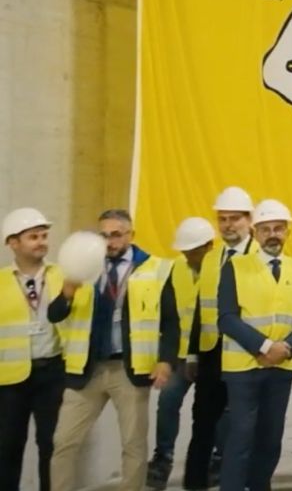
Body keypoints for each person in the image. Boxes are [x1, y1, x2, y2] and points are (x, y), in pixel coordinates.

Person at [46, 208, 185, 491]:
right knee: (63, 442)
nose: (110, 242)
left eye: (116, 235)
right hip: (86, 369)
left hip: (128, 369)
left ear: (131, 234)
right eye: (104, 235)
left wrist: (166, 361)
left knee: (133, 444)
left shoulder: (156, 269)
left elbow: (171, 322)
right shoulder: (81, 265)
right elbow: (55, 315)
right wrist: (67, 293)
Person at [218, 198, 292, 491]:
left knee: (271, 438)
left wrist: (286, 348)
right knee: (241, 437)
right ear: (255, 232)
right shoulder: (236, 267)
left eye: (278, 228)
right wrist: (264, 347)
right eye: (266, 229)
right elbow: (227, 317)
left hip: (281, 367)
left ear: (287, 232)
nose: (272, 235)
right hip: (243, 368)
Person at [185, 186, 258, 490]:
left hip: (247, 354)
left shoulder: (262, 258)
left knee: (246, 426)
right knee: (202, 423)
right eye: (223, 219)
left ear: (249, 220)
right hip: (212, 353)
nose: (228, 225)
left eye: (234, 218)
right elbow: (201, 308)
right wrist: (192, 354)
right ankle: (194, 484)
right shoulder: (211, 259)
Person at [148, 217, 217, 489]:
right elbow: (169, 317)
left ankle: (217, 459)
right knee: (167, 401)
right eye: (185, 251)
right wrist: (169, 358)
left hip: (212, 353)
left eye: (194, 251)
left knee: (217, 410)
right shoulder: (175, 269)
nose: (188, 256)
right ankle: (162, 458)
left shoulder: (223, 268)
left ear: (209, 246)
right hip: (181, 353)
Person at [2, 207, 67, 491]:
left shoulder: (63, 275)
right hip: (9, 380)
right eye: (33, 237)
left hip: (53, 372)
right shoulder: (1, 282)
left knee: (52, 446)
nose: (41, 242)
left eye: (43, 236)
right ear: (13, 243)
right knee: (7, 447)